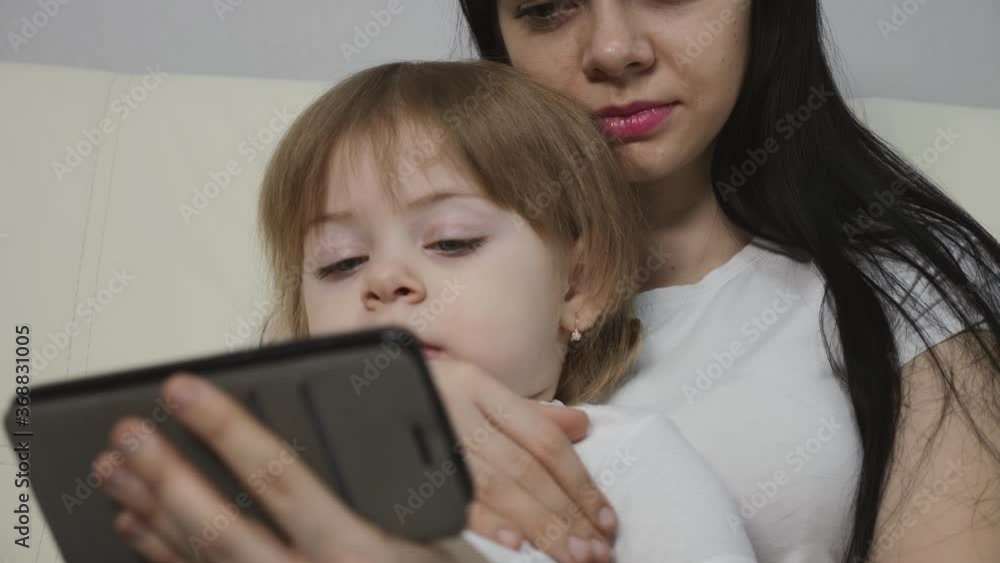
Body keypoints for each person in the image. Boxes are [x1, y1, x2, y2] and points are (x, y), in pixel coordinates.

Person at [94, 1, 1000, 562]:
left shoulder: (892, 294)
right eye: (548, 6)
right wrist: (391, 391)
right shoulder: (369, 313)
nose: (612, 49)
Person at [93, 60, 758, 563]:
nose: (385, 280)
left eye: (451, 242)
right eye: (341, 262)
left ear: (576, 285)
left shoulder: (629, 460)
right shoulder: (273, 470)